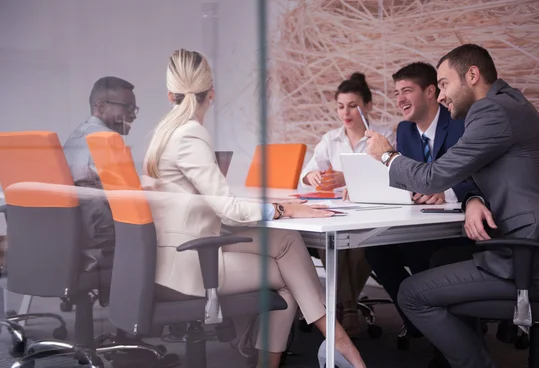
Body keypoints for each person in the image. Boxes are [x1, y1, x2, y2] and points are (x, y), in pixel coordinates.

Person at [143, 49, 366, 368]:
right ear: (212, 93)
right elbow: (228, 209)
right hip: (191, 263)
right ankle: (341, 345)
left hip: (179, 249)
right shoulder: (190, 134)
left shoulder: (164, 133)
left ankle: (332, 342)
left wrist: (281, 208)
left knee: (288, 243)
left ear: (170, 94)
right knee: (290, 280)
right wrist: (283, 210)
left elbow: (216, 204)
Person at [365, 44, 539, 368]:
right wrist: (475, 199)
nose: (440, 96)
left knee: (411, 293)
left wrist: (387, 155)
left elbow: (433, 177)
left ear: (472, 75)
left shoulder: (491, 111)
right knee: (440, 257)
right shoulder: (510, 105)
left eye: (444, 84)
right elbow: (498, 175)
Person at [363, 62, 476, 353]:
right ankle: (415, 319)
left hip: (459, 228)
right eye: (396, 92)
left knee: (429, 254)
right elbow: (406, 178)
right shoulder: (406, 132)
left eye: (406, 91)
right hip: (422, 225)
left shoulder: (461, 123)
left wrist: (447, 191)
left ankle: (448, 334)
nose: (399, 99)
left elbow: (481, 175)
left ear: (430, 91)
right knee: (375, 248)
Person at [300, 72, 395, 337]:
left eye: (353, 105)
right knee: (328, 242)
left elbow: (390, 175)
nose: (346, 112)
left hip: (370, 211)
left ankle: (343, 305)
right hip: (337, 212)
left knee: (360, 247)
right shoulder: (331, 138)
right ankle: (350, 306)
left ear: (368, 106)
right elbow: (307, 174)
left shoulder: (383, 136)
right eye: (341, 106)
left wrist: (348, 179)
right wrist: (313, 176)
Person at [63, 76, 139, 271]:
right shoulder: (105, 139)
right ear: (101, 106)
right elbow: (129, 198)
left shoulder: (76, 136)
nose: (133, 115)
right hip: (104, 241)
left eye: (134, 109)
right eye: (127, 107)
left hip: (75, 238)